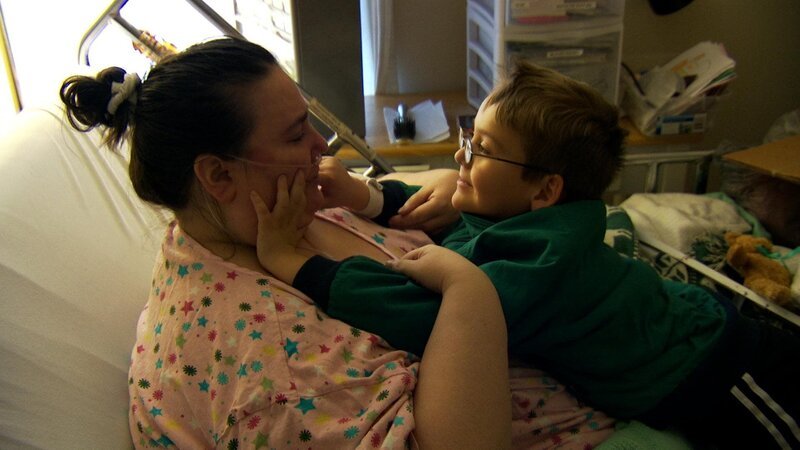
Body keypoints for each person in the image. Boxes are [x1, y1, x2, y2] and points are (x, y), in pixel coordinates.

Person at [60, 38, 614, 449]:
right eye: (294, 133)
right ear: (218, 176)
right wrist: (470, 291)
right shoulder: (271, 376)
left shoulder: (273, 212)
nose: (320, 145)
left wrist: (448, 193)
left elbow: (387, 227)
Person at [256, 59, 800, 449]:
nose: (459, 156)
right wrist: (368, 196)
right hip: (687, 329)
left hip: (720, 367)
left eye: (483, 151)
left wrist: (299, 266)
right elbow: (449, 216)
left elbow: (419, 313)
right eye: (470, 138)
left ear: (545, 190)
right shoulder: (516, 214)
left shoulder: (538, 268)